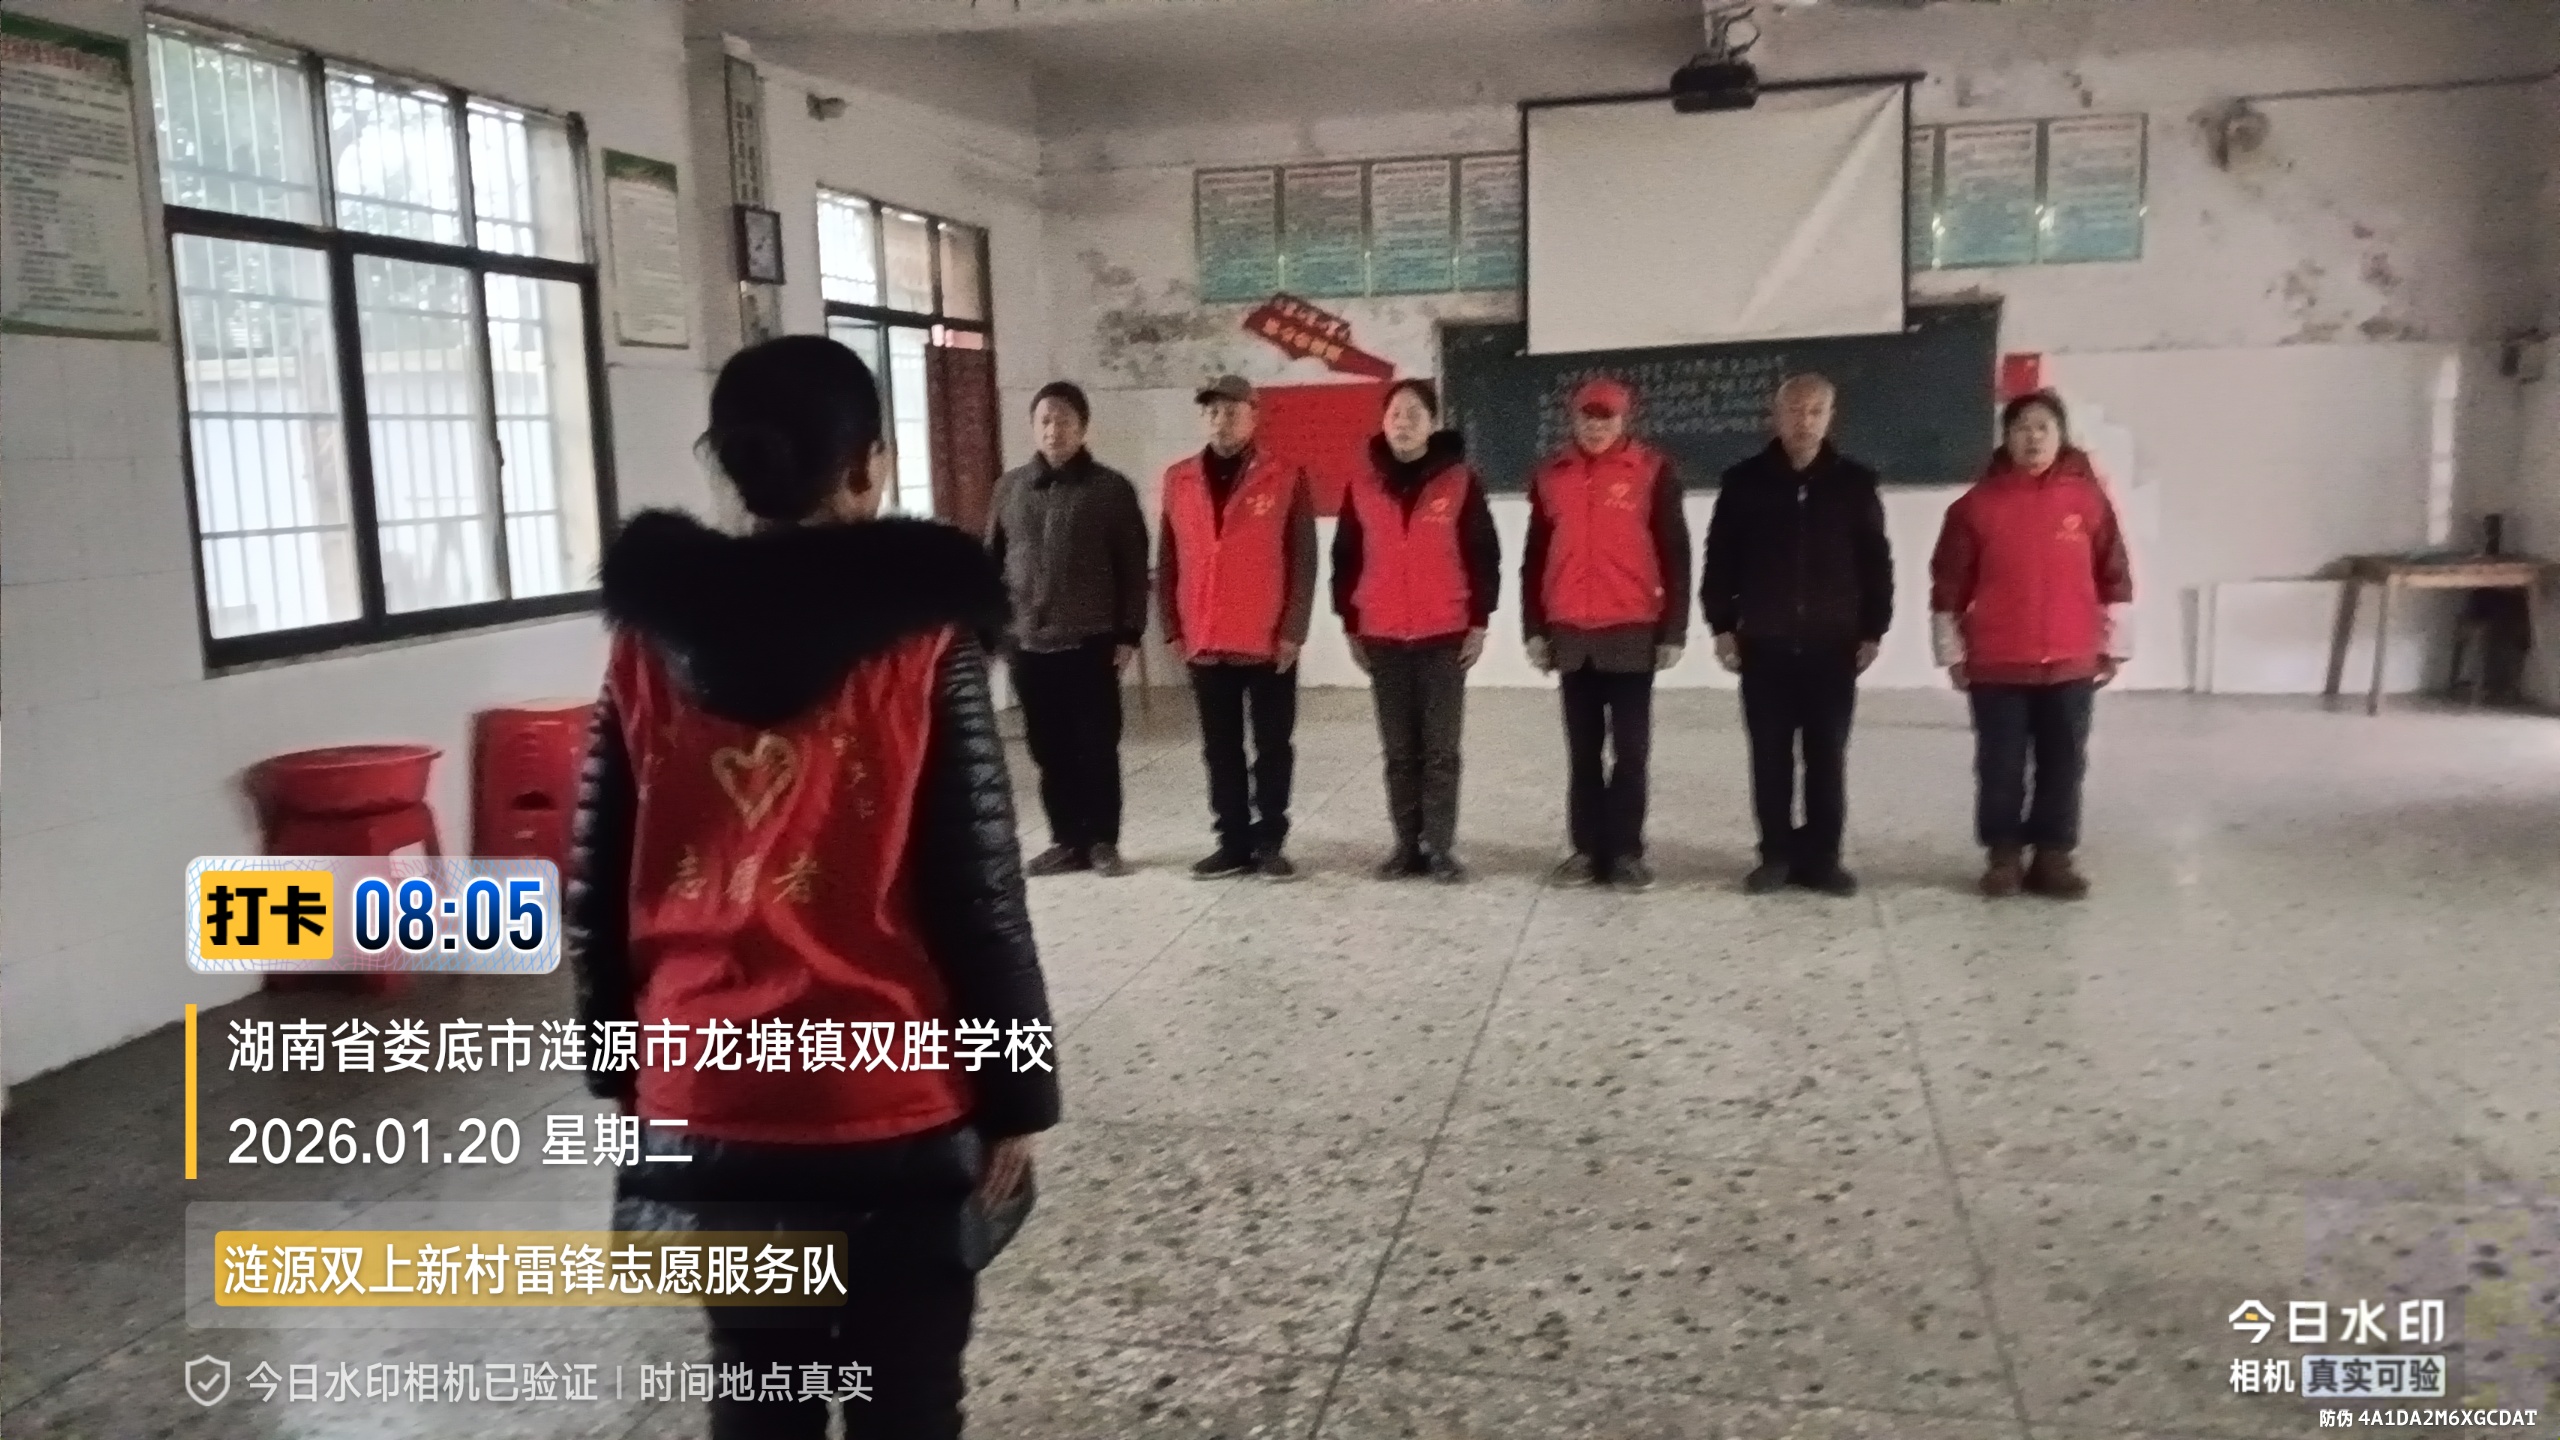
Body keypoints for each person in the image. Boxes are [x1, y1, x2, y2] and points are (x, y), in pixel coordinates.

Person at [569, 334, 1060, 1440]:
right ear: (867, 466)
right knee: (905, 1399)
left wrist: (621, 1067)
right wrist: (1019, 1096)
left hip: (706, 1086)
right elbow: (979, 893)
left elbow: (596, 875)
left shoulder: (646, 642)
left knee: (760, 1391)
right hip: (890, 1097)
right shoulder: (925, 641)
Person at [1929, 389, 2134, 900]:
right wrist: (1952, 651)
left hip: (2071, 660)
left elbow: (2114, 573)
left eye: (2044, 427)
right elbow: (1949, 584)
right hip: (1998, 663)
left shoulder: (2088, 502)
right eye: (2022, 428)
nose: (2033, 438)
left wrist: (2116, 642)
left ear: (2061, 436)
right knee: (2000, 764)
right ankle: (2003, 857)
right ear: (2006, 438)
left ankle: (2053, 856)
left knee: (2064, 761)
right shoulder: (1974, 508)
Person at [1701, 374, 1894, 897]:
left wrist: (1873, 629)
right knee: (1770, 756)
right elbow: (1720, 560)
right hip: (1763, 643)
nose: (1803, 421)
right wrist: (1722, 625)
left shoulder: (1856, 483)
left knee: (1826, 755)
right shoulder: (1743, 482)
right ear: (1776, 414)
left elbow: (1876, 563)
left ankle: (1823, 858)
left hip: (1833, 645)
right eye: (1793, 410)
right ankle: (1776, 856)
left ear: (1830, 417)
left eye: (1814, 411)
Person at [1522, 375, 1691, 892]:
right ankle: (1585, 850)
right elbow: (1534, 558)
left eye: (1607, 418)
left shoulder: (1653, 471)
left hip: (1632, 629)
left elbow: (1675, 552)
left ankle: (1625, 852)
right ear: (1573, 419)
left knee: (1631, 752)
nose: (1596, 428)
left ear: (1624, 420)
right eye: (1587, 418)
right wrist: (1534, 628)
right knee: (1583, 752)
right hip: (1571, 632)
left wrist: (1673, 630)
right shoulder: (1550, 475)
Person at [1332, 378, 1501, 883]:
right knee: (1399, 752)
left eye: (1414, 413)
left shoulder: (1461, 482)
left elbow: (1483, 556)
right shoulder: (1361, 485)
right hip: (1383, 636)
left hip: (1444, 634)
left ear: (1433, 423)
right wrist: (1351, 625)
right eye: (1395, 413)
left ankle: (1441, 847)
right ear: (1383, 423)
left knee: (1441, 750)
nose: (1403, 422)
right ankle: (1406, 846)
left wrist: (1478, 622)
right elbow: (1345, 561)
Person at [987, 380, 1150, 879]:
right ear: (1033, 427)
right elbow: (992, 560)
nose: (1053, 430)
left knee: (1096, 745)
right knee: (1048, 749)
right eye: (1045, 421)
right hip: (1028, 643)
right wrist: (993, 630)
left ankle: (1102, 841)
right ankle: (1066, 840)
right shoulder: (1009, 488)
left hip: (1091, 642)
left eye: (1064, 421)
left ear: (1083, 427)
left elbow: (1133, 566)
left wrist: (1129, 633)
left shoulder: (1110, 490)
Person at [1157, 374, 1318, 880]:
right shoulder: (1179, 479)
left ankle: (1270, 840)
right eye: (1212, 412)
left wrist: (1293, 630)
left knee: (1273, 745)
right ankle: (1231, 841)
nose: (1220, 421)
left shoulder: (1285, 475)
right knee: (1219, 749)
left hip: (1267, 639)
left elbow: (1304, 558)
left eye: (1231, 411)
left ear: (1253, 415)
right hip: (1204, 636)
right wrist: (1172, 628)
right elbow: (1169, 557)